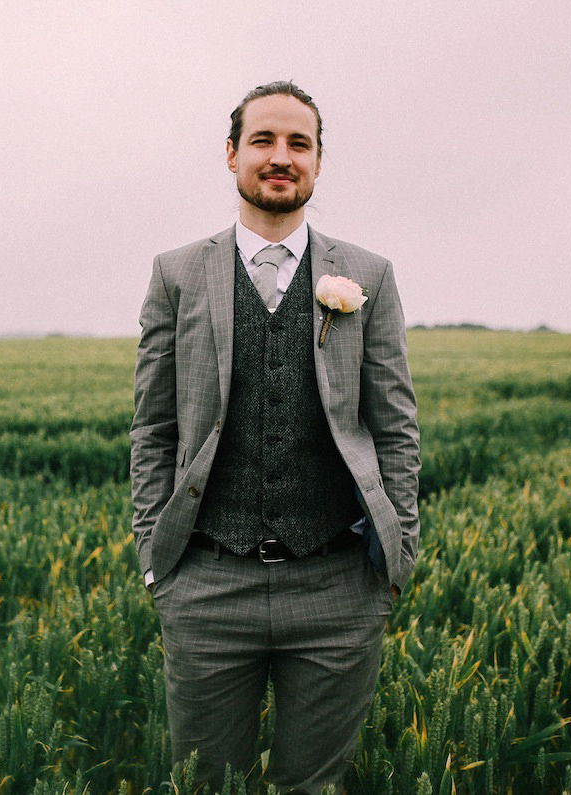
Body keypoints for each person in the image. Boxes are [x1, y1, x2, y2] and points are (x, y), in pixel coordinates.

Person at [130, 81, 421, 793]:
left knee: (312, 788)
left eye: (299, 143)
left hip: (336, 585)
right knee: (206, 784)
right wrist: (154, 558)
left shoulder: (368, 276)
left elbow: (395, 426)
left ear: (319, 163)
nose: (280, 156)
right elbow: (153, 425)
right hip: (206, 583)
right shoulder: (176, 274)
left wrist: (395, 558)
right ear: (231, 154)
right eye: (263, 140)